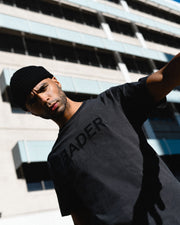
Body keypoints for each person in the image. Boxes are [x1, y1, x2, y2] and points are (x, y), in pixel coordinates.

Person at [10, 53, 180, 225]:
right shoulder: (57, 158)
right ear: (31, 111)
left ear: (56, 81)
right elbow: (80, 216)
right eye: (33, 101)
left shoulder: (112, 102)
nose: (43, 99)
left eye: (43, 88)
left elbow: (164, 77)